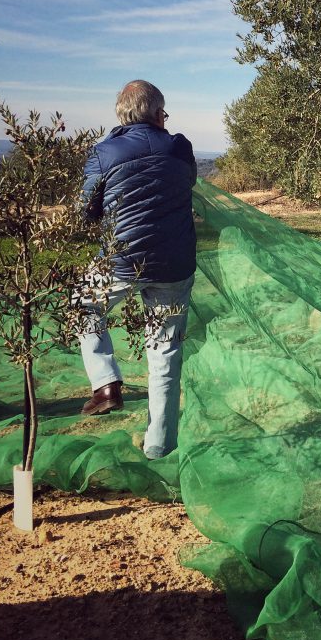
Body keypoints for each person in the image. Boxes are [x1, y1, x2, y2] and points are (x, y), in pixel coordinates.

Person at [77, 80, 197, 459]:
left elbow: (87, 210)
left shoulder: (102, 153)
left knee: (82, 305)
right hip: (174, 264)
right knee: (164, 354)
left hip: (121, 261)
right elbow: (187, 183)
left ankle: (106, 383)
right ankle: (159, 447)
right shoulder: (181, 148)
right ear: (158, 113)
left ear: (122, 113)